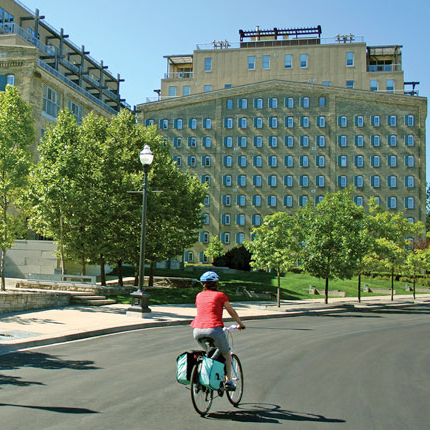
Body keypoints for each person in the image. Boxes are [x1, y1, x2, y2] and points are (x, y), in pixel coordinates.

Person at [191, 271, 245, 390]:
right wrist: (240, 324)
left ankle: (202, 378)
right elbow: (231, 311)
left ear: (203, 284)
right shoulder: (220, 295)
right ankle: (228, 381)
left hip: (197, 331)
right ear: (216, 283)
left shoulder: (199, 295)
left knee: (210, 354)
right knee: (226, 354)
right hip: (214, 329)